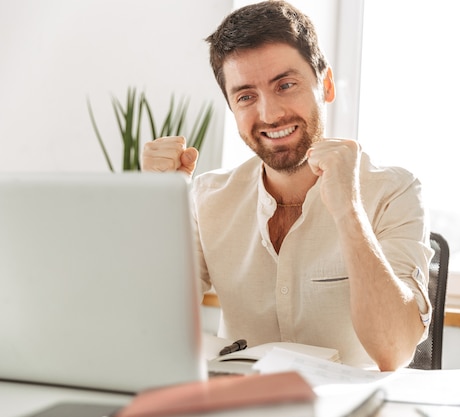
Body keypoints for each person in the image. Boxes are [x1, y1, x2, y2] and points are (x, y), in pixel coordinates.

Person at [142, 0, 432, 371]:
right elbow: (151, 325)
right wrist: (157, 210)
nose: (270, 114)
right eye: (246, 96)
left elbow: (395, 351)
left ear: (325, 85)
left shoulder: (395, 191)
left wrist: (348, 209)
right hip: (238, 404)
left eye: (286, 85)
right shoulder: (208, 197)